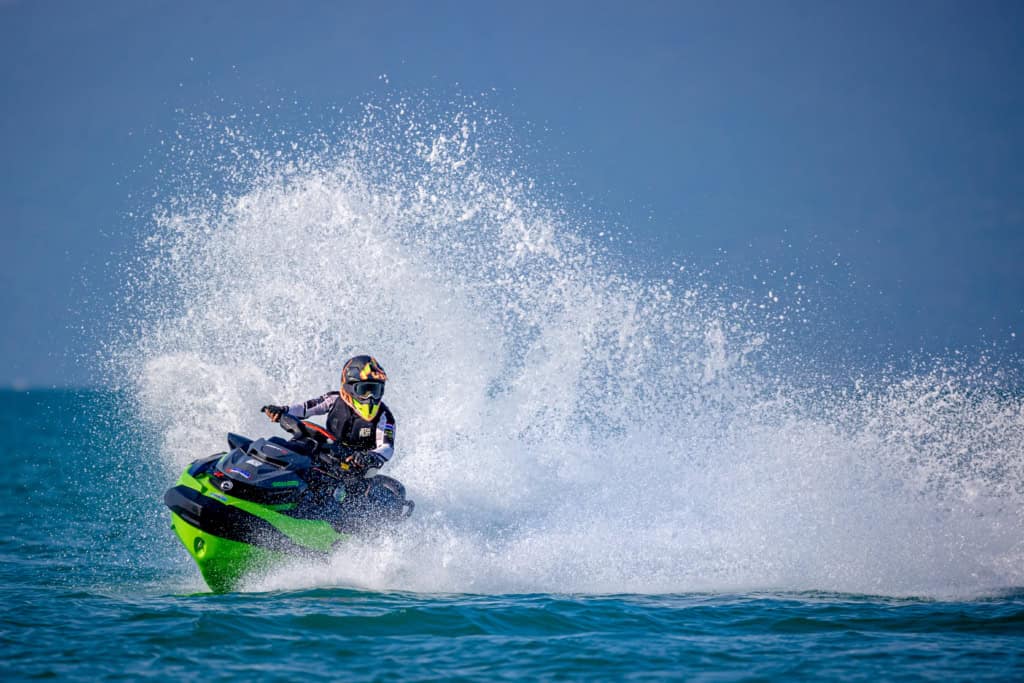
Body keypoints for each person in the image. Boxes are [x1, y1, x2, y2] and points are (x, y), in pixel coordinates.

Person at [261, 354, 396, 526]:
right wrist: (282, 411)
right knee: (282, 445)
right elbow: (304, 409)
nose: (371, 397)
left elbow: (387, 447)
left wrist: (370, 456)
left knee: (330, 489)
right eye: (365, 390)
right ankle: (259, 488)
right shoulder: (334, 399)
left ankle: (311, 525)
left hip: (353, 470)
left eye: (375, 390)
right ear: (350, 387)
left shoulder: (384, 416)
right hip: (326, 453)